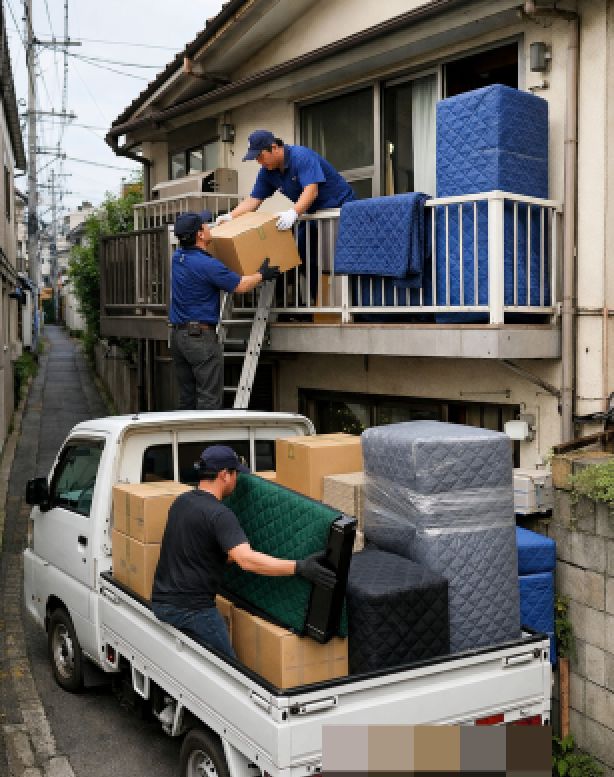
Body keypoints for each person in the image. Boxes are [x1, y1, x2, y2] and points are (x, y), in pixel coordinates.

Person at [151, 445, 336, 658]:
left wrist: (228, 554)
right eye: (236, 473)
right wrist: (299, 567)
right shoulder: (220, 515)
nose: (237, 480)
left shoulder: (181, 501)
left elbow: (197, 549)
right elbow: (247, 561)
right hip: (192, 610)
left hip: (162, 604)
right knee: (229, 672)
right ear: (224, 476)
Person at [216, 130, 356, 299]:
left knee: (342, 259)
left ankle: (353, 307)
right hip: (312, 215)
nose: (259, 162)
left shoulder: (301, 156)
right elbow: (254, 200)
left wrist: (293, 212)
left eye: (260, 156)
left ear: (274, 148)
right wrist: (231, 216)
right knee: (302, 255)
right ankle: (314, 305)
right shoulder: (268, 171)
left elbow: (311, 191)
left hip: (339, 210)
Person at [170, 210, 280, 410]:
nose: (209, 226)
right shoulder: (206, 265)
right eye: (205, 224)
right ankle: (206, 441)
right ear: (200, 235)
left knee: (187, 399)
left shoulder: (178, 257)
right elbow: (239, 285)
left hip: (178, 337)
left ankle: (188, 440)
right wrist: (262, 274)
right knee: (209, 399)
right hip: (199, 338)